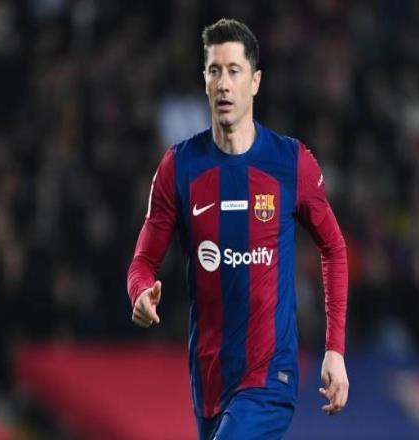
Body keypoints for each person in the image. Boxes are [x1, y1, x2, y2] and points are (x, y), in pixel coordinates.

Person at [127, 18, 349, 440]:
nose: (224, 84)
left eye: (234, 71)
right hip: (209, 376)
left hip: (270, 375)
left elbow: (334, 249)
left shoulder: (291, 163)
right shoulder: (180, 167)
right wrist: (139, 291)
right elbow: (143, 260)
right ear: (204, 81)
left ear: (255, 82)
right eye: (215, 71)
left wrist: (334, 348)